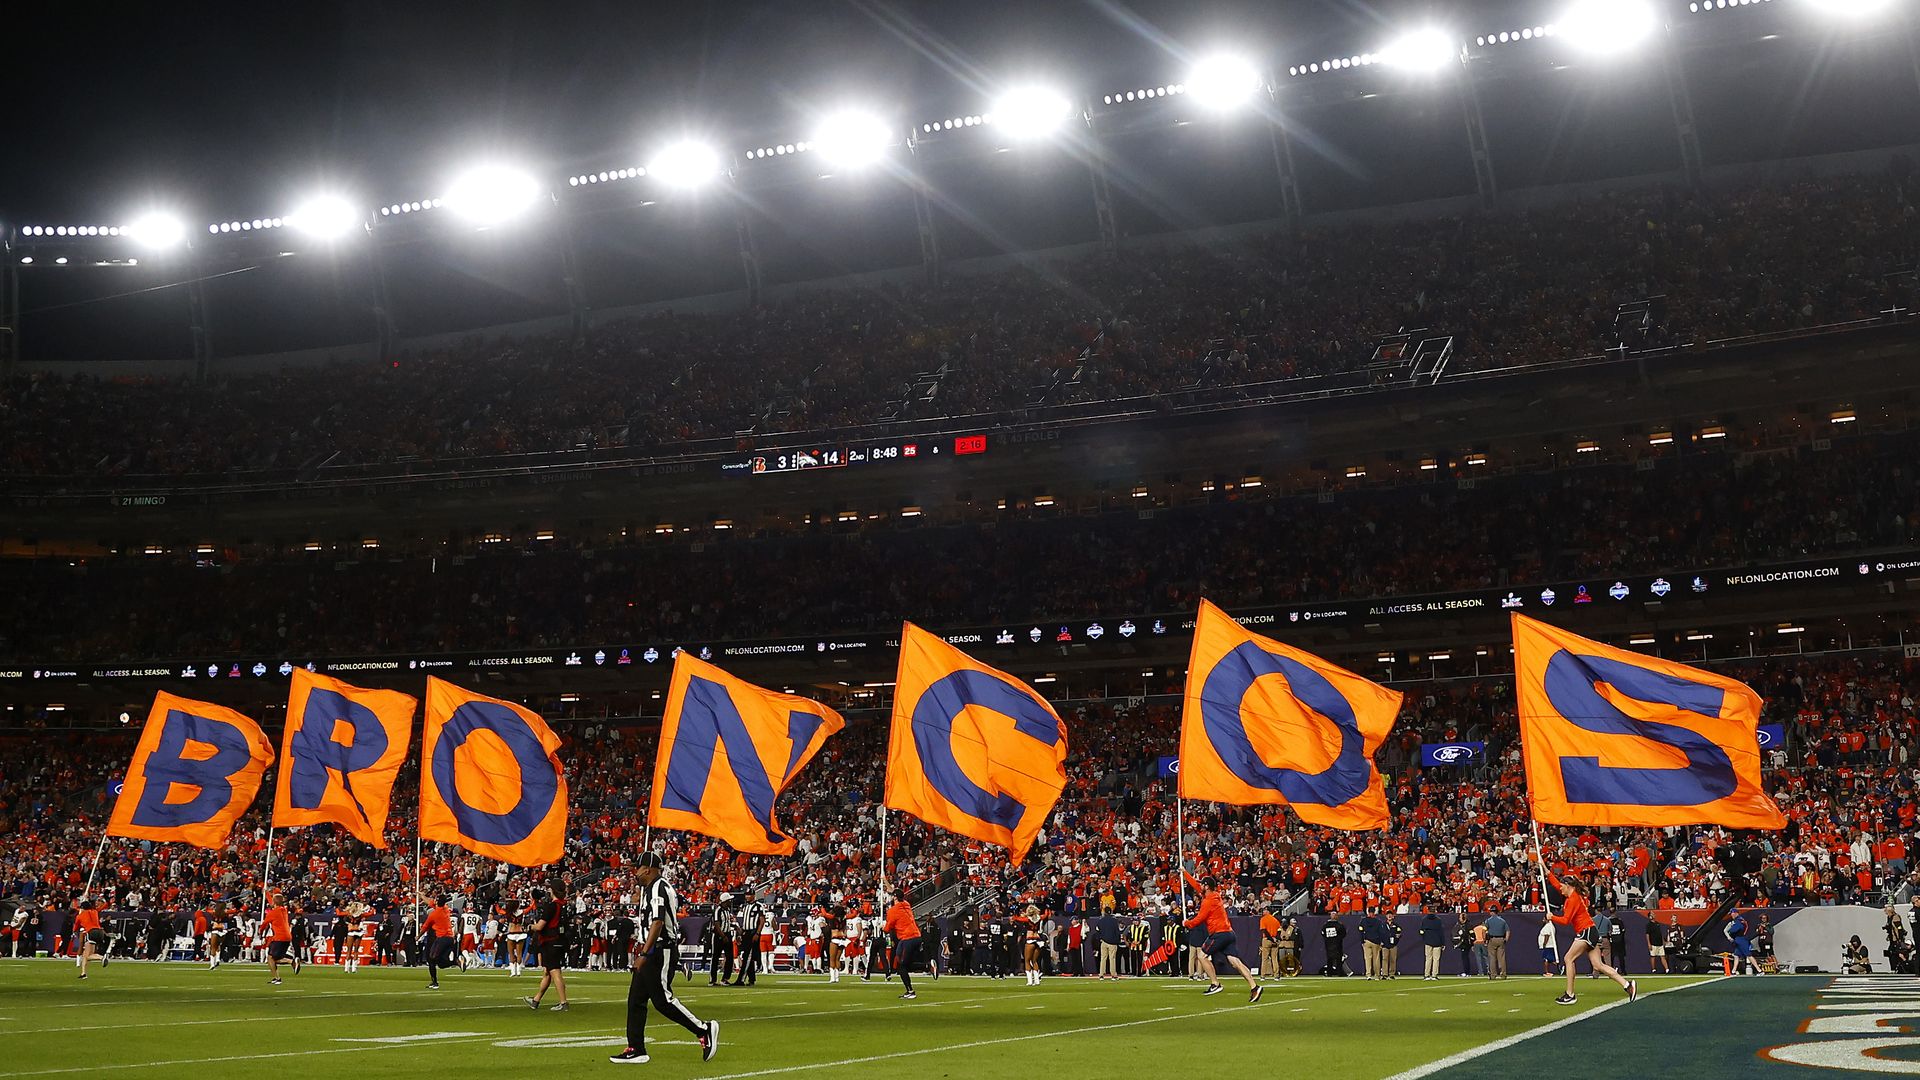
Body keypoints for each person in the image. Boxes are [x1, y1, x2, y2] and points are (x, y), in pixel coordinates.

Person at [610, 853, 718, 1065]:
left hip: (660, 950)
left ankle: (703, 1029)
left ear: (648, 869)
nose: (636, 872)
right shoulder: (651, 888)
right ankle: (636, 1048)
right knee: (636, 1001)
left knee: (663, 1000)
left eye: (639, 868)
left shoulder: (658, 887)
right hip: (654, 949)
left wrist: (644, 953)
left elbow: (658, 922)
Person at [1540, 856, 1635, 1005]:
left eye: (1562, 887)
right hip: (1591, 931)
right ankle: (1627, 985)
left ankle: (1570, 994)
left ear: (1568, 885)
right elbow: (1556, 883)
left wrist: (1552, 917)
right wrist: (1545, 869)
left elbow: (1565, 921)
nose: (1560, 889)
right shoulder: (1571, 895)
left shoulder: (1573, 900)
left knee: (1568, 959)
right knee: (1598, 965)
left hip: (1586, 931)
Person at [1181, 871, 1260, 1001]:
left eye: (1202, 885)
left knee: (1202, 955)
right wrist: (1184, 873)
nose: (1199, 887)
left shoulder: (1207, 901)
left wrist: (1187, 923)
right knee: (1235, 962)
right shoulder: (1215, 895)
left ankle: (1215, 983)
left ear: (1206, 887)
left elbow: (1200, 918)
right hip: (1229, 932)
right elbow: (1196, 885)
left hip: (1219, 933)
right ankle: (1254, 987)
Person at [524, 884, 572, 1012]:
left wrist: (530, 927)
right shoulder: (565, 906)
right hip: (560, 941)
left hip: (550, 941)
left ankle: (563, 1002)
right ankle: (536, 1000)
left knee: (555, 972)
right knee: (547, 972)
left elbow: (540, 926)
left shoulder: (552, 906)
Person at [882, 891, 923, 1000]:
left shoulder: (893, 911)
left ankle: (910, 991)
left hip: (907, 938)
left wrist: (882, 926)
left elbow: (887, 929)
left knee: (901, 966)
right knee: (907, 963)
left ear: (895, 897)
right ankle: (928, 964)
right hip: (917, 936)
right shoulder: (907, 904)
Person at [423, 896, 454, 989]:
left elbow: (425, 926)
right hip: (450, 938)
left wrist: (418, 936)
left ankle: (435, 982)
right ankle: (454, 961)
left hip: (441, 938)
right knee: (440, 963)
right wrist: (421, 895)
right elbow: (430, 902)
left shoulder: (434, 914)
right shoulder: (446, 909)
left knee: (432, 958)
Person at [263, 893, 292, 985]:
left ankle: (291, 962)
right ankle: (277, 978)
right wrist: (267, 893)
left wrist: (260, 933)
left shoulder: (272, 913)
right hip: (287, 937)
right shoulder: (284, 910)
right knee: (275, 958)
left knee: (270, 958)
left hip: (279, 937)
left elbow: (264, 924)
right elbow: (275, 902)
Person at [73, 899, 105, 980]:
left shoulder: (80, 916)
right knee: (86, 955)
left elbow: (75, 927)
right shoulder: (95, 912)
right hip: (99, 932)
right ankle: (83, 973)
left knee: (88, 956)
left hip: (90, 932)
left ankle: (102, 957)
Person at [1484, 907, 1509, 980]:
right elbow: (1508, 931)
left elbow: (1484, 930)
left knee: (1492, 958)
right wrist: (1506, 939)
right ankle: (1503, 974)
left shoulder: (1488, 920)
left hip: (1492, 939)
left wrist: (1484, 939)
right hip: (1501, 939)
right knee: (1502, 958)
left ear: (1492, 912)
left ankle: (1493, 975)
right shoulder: (1502, 921)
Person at [1419, 911, 1446, 980]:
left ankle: (1427, 975)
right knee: (1436, 959)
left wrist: (1424, 938)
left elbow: (1421, 931)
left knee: (1428, 959)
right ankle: (1434, 975)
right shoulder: (1438, 920)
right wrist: (1443, 943)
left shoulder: (1424, 920)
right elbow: (1441, 932)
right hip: (1437, 942)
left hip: (1428, 941)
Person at [506, 901, 530, 977]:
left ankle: (513, 972)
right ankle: (519, 971)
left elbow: (499, 910)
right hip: (520, 933)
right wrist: (533, 901)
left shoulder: (508, 913)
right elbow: (530, 908)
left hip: (511, 933)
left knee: (511, 953)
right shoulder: (522, 911)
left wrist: (495, 905)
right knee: (519, 953)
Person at [1098, 910, 1122, 980]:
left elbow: (1098, 930)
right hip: (1112, 942)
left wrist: (1101, 938)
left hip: (1104, 941)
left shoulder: (1101, 920)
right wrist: (1117, 941)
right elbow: (1117, 932)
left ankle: (1101, 975)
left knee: (1103, 958)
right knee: (1112, 958)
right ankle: (1113, 975)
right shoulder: (1114, 921)